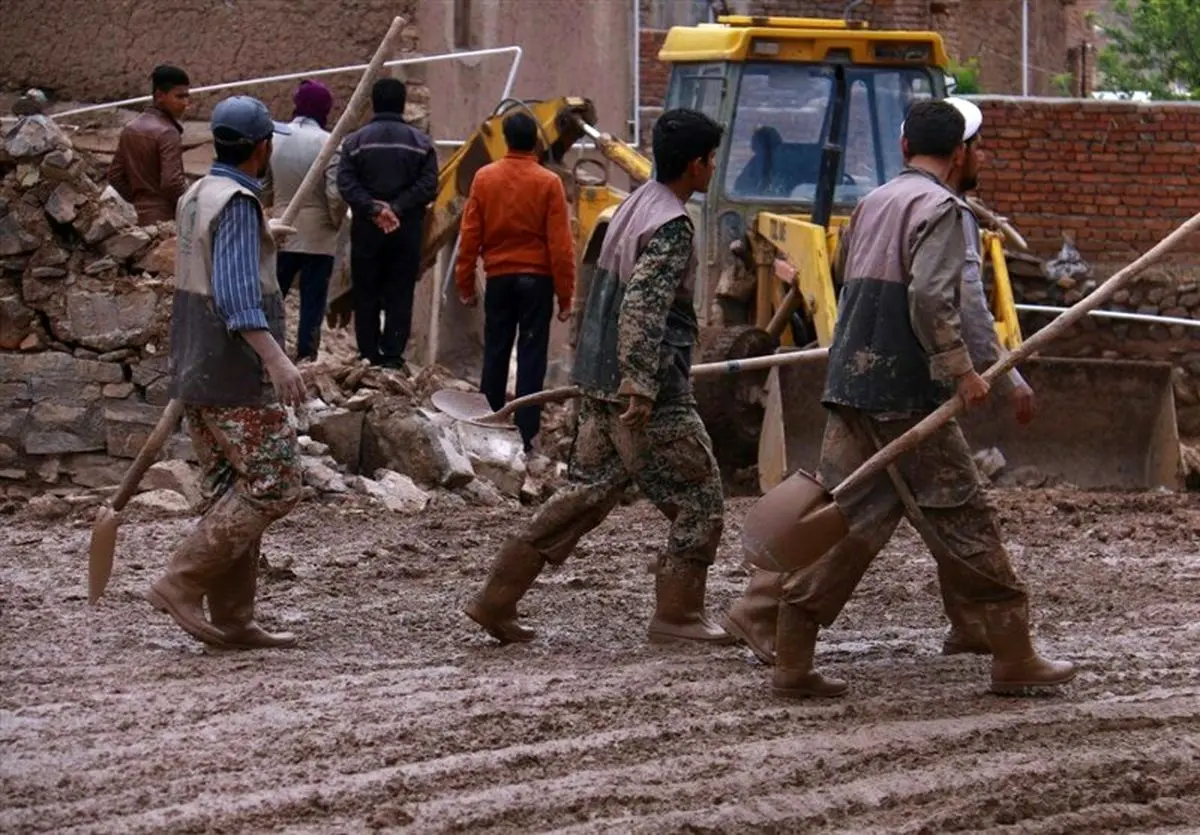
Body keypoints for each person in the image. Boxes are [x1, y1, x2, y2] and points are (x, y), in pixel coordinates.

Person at [758, 100, 1076, 698]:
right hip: (906, 394)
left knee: (848, 518)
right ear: (961, 154)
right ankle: (1013, 654)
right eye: (976, 150)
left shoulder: (875, 202)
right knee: (964, 516)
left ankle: (792, 660)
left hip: (852, 385)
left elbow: (850, 278)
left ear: (905, 149)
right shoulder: (944, 210)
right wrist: (962, 371)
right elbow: (933, 299)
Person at [464, 108, 732, 647]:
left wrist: (603, 373)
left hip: (600, 380)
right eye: (711, 160)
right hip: (648, 391)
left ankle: (496, 597)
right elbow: (642, 307)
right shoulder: (672, 223)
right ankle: (678, 615)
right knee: (700, 497)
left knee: (583, 493)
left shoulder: (631, 206)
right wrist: (640, 381)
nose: (712, 168)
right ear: (698, 164)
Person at [149, 95, 307, 649]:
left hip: (196, 363)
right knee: (274, 484)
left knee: (230, 491)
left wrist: (265, 235)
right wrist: (277, 359)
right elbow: (240, 299)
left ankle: (235, 617)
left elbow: (215, 264)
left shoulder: (198, 194)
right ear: (262, 148)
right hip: (235, 368)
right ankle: (181, 580)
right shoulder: (238, 202)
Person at [455, 111, 576, 453]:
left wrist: (465, 284)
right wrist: (566, 296)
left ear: (506, 139)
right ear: (536, 141)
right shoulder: (548, 183)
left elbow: (470, 236)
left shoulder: (484, 178)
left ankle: (489, 424)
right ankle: (526, 433)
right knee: (532, 356)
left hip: (499, 279)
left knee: (495, 351)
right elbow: (561, 245)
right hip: (537, 283)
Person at [336, 78, 438, 370]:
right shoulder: (421, 143)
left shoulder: (355, 142)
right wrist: (397, 208)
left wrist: (373, 208)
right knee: (400, 291)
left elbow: (345, 182)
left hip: (367, 229)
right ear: (402, 104)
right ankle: (392, 355)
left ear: (374, 102)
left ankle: (368, 353)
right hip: (406, 230)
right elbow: (429, 184)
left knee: (366, 290)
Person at [268, 80, 346, 361]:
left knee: (273, 296)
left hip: (282, 229)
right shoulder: (331, 142)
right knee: (312, 304)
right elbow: (335, 194)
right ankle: (305, 357)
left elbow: (265, 184)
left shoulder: (275, 136)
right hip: (319, 236)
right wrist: (335, 222)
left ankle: (266, 353)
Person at [108, 65, 191, 224]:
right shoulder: (168, 133)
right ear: (160, 96)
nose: (186, 103)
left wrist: (139, 200)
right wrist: (191, 207)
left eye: (187, 96)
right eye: (180, 97)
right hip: (166, 220)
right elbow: (172, 183)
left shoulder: (130, 128)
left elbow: (115, 176)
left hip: (139, 219)